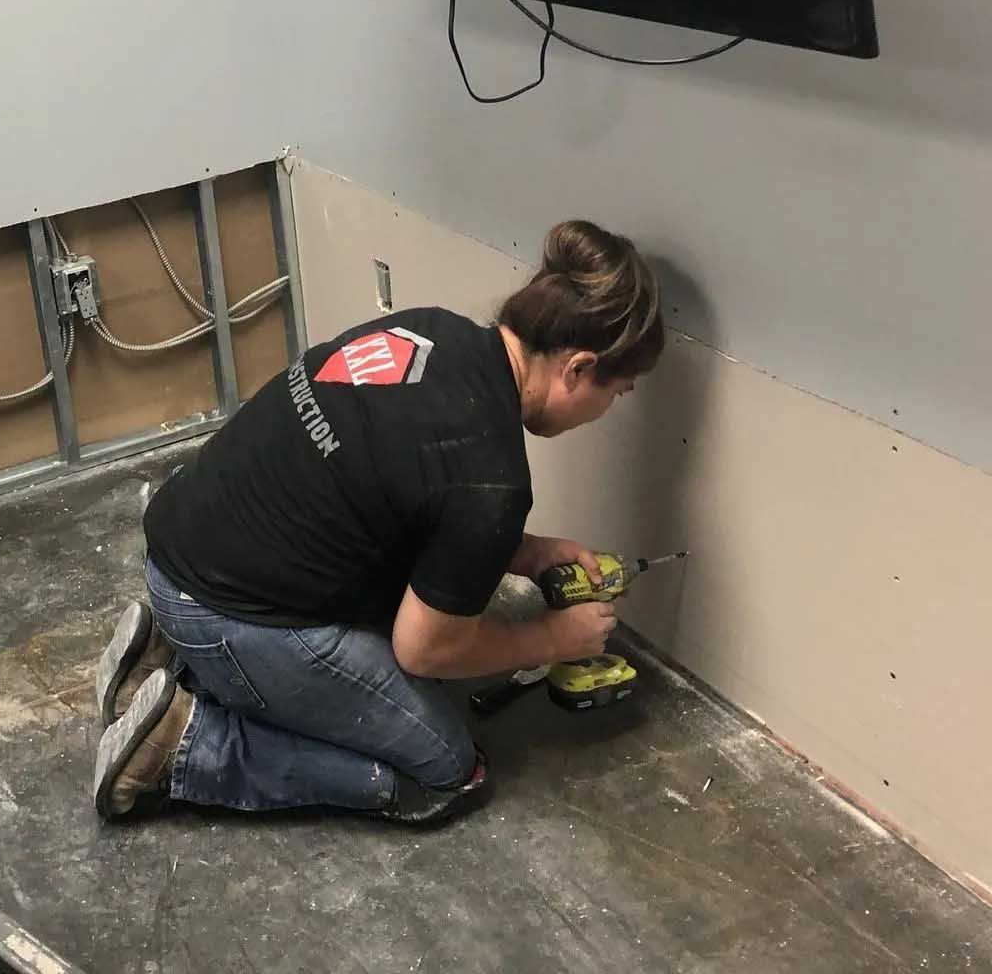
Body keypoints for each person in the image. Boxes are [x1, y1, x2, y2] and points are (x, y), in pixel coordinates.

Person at [91, 219, 663, 824]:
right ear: (577, 368)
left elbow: (407, 490)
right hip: (225, 613)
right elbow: (425, 651)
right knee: (447, 770)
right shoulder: (489, 480)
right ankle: (183, 744)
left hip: (179, 549)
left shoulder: (434, 330)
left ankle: (165, 657)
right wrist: (554, 639)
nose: (607, 409)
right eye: (617, 392)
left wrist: (523, 552)